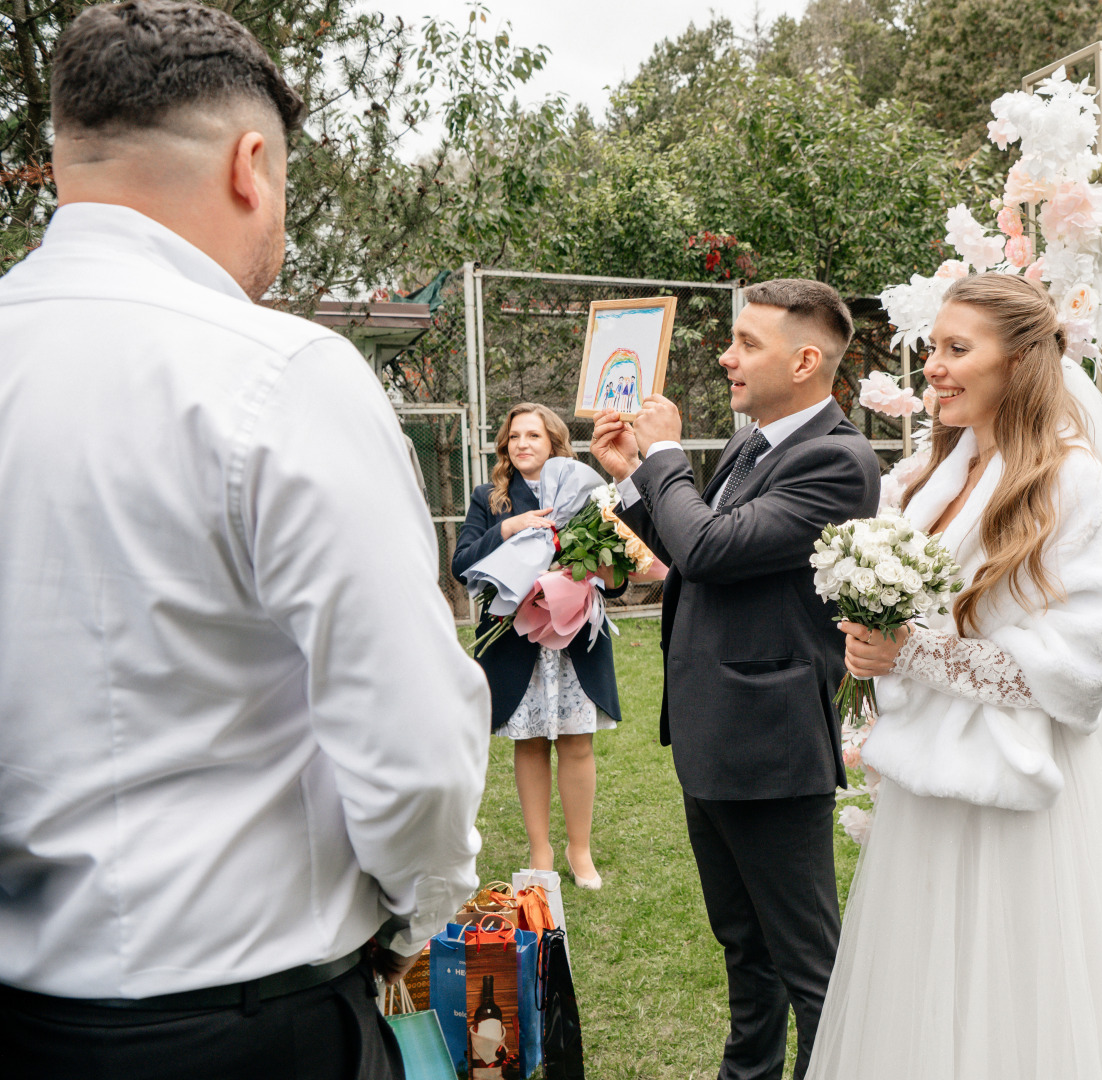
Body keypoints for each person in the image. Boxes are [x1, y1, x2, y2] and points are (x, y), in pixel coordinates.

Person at [0, 2, 491, 1076]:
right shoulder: (280, 373)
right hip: (245, 1017)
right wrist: (418, 912)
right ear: (251, 163)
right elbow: (410, 743)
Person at [806, 273, 1102, 1079]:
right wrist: (870, 644)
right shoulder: (925, 478)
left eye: (958, 349)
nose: (934, 365)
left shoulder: (1067, 481)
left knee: (1023, 1005)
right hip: (927, 795)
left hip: (1022, 808)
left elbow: (1079, 668)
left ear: (1022, 361)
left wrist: (914, 655)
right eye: (933, 347)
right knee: (919, 997)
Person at [591, 279, 881, 1080]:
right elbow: (702, 551)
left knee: (807, 963)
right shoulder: (755, 445)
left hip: (771, 745)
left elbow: (713, 547)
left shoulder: (836, 459)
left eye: (747, 343)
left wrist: (663, 459)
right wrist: (632, 479)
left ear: (807, 358)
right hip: (718, 737)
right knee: (743, 949)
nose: (726, 356)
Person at [453, 403, 621, 889]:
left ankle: (580, 849)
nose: (522, 443)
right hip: (516, 640)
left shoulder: (585, 491)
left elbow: (616, 579)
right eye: (514, 437)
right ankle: (540, 849)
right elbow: (460, 564)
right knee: (528, 744)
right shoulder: (491, 497)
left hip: (573, 642)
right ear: (505, 446)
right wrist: (506, 530)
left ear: (554, 444)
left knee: (575, 743)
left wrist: (585, 570)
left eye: (534, 435)